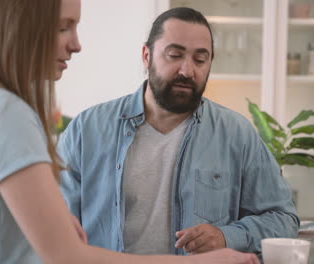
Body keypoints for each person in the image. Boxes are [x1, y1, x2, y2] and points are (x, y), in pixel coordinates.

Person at [0, 1, 259, 263]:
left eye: (200, 58)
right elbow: (65, 256)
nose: (76, 44)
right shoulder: (6, 114)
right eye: (62, 27)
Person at [58, 6, 299, 258]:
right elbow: (55, 226)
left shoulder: (237, 134)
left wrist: (226, 236)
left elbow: (283, 218)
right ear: (146, 56)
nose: (187, 70)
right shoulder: (87, 130)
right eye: (174, 55)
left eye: (200, 59)